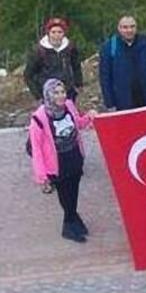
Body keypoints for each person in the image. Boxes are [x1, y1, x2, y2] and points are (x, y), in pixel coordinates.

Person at [28, 78, 96, 242]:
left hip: (74, 157)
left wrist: (89, 117)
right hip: (57, 164)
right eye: (56, 92)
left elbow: (78, 123)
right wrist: (41, 176)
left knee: (74, 191)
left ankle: (73, 218)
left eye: (63, 92)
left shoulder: (69, 106)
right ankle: (69, 224)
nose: (61, 96)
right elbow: (36, 149)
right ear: (48, 95)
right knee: (65, 194)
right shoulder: (38, 118)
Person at [98, 15, 146, 111]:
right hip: (123, 101)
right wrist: (110, 103)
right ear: (119, 28)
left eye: (132, 26)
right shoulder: (109, 47)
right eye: (125, 27)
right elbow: (105, 78)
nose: (129, 30)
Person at [24, 17, 84, 101]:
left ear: (64, 33)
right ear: (48, 33)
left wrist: (78, 84)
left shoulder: (70, 48)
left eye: (60, 32)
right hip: (47, 95)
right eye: (53, 32)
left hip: (68, 93)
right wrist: (38, 94)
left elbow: (76, 66)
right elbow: (28, 75)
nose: (56, 35)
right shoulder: (39, 51)